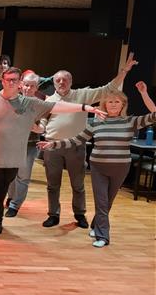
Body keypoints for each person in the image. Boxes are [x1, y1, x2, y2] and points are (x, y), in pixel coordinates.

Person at [0, 65, 107, 237]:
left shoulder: (29, 103)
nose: (11, 83)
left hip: (13, 158)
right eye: (8, 79)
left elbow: (57, 107)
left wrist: (85, 108)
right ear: (2, 81)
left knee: (2, 191)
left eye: (15, 80)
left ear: (19, 83)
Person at [38, 82, 156, 247]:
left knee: (107, 202)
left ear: (123, 104)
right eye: (110, 102)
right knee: (101, 202)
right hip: (98, 167)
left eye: (117, 102)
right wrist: (53, 144)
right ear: (104, 104)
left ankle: (96, 225)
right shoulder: (95, 122)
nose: (113, 104)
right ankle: (103, 236)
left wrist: (144, 93)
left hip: (121, 168)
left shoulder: (131, 121)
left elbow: (154, 114)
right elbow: (77, 140)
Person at [39, 53, 137, 229]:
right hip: (52, 146)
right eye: (58, 80)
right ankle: (53, 214)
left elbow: (107, 89)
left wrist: (124, 71)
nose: (62, 82)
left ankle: (79, 214)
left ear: (71, 81)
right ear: (53, 83)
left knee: (78, 184)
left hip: (76, 146)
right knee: (52, 185)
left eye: (65, 80)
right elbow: (42, 121)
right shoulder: (49, 101)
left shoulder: (82, 95)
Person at [5, 70, 44, 216]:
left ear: (37, 87)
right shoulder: (13, 100)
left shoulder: (40, 105)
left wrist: (33, 126)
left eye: (32, 86)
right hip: (12, 144)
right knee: (10, 174)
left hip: (30, 145)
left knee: (23, 176)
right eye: (26, 85)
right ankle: (11, 197)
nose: (28, 88)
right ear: (21, 85)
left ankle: (15, 205)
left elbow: (42, 128)